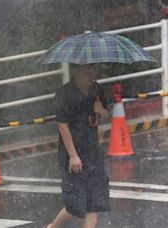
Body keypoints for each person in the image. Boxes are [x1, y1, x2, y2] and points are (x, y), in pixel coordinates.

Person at [47, 64, 110, 228]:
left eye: (92, 69)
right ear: (75, 72)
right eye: (85, 70)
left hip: (93, 152)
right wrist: (73, 155)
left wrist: (101, 110)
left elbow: (105, 114)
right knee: (75, 205)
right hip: (72, 153)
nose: (90, 73)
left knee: (93, 204)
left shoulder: (97, 90)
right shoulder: (64, 94)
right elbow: (62, 125)